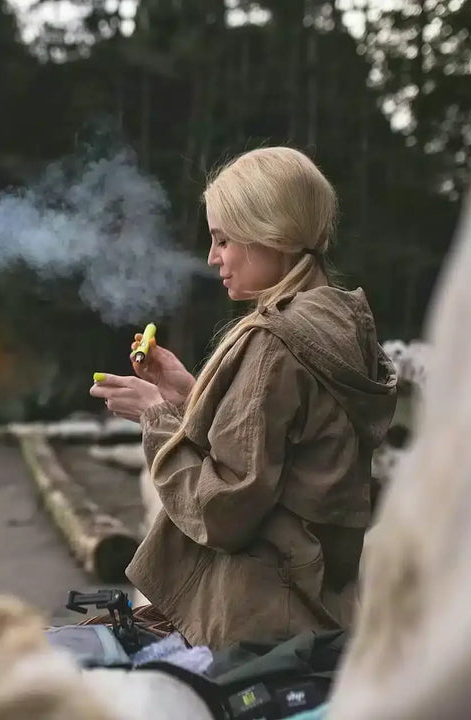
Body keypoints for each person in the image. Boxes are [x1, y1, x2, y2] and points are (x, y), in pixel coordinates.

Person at [89, 146, 397, 649]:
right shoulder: (337, 326)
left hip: (258, 622)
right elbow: (284, 453)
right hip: (321, 610)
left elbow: (223, 509)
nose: (213, 258)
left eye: (222, 239)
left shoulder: (274, 343)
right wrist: (194, 394)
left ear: (269, 233)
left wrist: (154, 416)